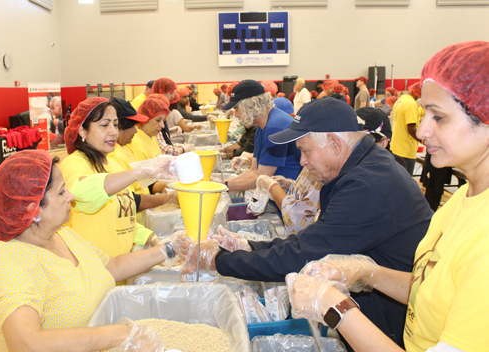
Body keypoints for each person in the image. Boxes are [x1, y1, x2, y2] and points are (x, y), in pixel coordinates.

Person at [178, 97, 433, 350]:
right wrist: (248, 247)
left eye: (305, 150)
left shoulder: (367, 186)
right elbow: (311, 241)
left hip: (394, 326)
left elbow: (303, 255)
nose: (302, 161)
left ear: (334, 142)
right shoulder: (360, 166)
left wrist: (218, 260)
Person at [286, 40, 489, 352]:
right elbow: (430, 291)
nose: (422, 131)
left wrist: (335, 307)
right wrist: (368, 273)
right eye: (424, 114)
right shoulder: (463, 200)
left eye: (439, 117)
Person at [0, 149, 174, 352]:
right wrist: (119, 335)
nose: (71, 196)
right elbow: (26, 343)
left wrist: (170, 250)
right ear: (32, 210)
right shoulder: (9, 262)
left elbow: (113, 266)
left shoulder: (64, 235)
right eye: (61, 192)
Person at [60, 97, 165, 257]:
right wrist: (141, 170)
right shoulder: (73, 164)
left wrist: (152, 240)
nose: (113, 132)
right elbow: (84, 193)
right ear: (82, 131)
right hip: (93, 270)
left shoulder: (113, 165)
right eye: (104, 125)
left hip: (121, 268)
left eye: (115, 125)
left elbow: (123, 219)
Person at [220, 80, 302, 192]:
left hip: (289, 195)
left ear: (250, 104)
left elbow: (262, 177)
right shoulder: (263, 124)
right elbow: (254, 170)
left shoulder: (273, 127)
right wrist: (223, 184)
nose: (237, 115)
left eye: (237, 109)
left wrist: (221, 186)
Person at [390, 82, 422, 175]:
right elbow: (411, 129)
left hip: (396, 147)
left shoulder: (401, 100)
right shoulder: (411, 104)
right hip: (406, 150)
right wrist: (424, 141)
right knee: (406, 183)